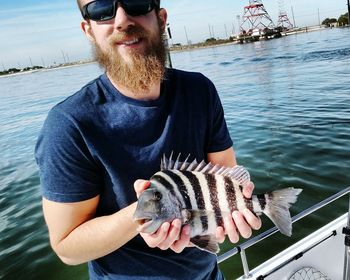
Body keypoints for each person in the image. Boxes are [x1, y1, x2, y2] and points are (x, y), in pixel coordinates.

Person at [35, 0, 262, 279]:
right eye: (101, 9)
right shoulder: (69, 124)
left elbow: (227, 176)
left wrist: (233, 212)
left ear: (162, 18)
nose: (121, 19)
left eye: (136, 2)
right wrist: (146, 213)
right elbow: (68, 247)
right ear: (89, 30)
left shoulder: (200, 90)